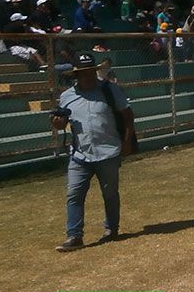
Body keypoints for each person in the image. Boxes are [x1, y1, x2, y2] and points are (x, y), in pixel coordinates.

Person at [52, 52, 135, 252]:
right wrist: (58, 123)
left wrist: (127, 141)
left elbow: (127, 114)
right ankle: (74, 236)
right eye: (83, 72)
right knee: (74, 194)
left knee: (110, 193)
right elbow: (60, 121)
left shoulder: (110, 90)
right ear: (76, 75)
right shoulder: (66, 97)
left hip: (108, 151)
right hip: (80, 154)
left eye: (90, 71)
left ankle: (111, 229)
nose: (88, 76)